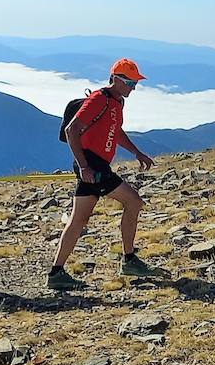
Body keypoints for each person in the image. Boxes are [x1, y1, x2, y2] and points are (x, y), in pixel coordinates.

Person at [47, 59, 159, 290]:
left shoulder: (117, 102)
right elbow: (72, 130)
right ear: (116, 79)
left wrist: (137, 152)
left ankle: (57, 273)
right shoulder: (99, 99)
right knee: (134, 202)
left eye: (135, 83)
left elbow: (115, 132)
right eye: (129, 82)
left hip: (95, 166)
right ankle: (129, 260)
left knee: (79, 219)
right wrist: (84, 166)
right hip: (93, 166)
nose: (133, 88)